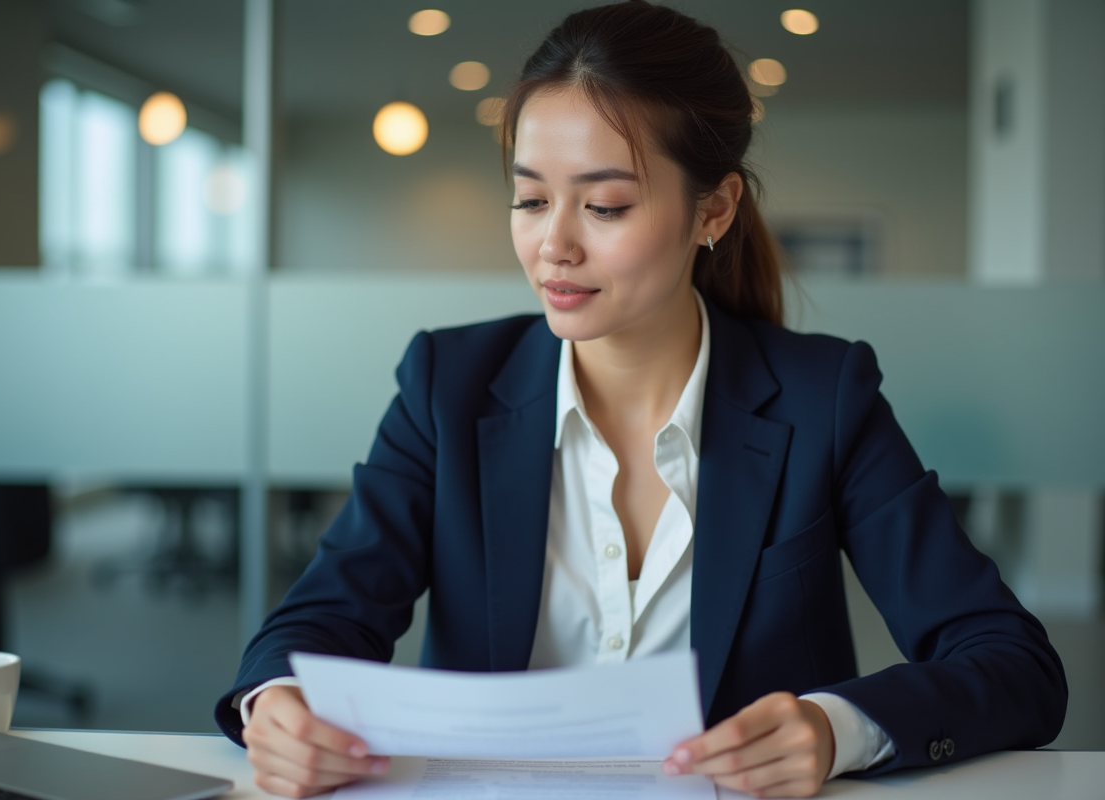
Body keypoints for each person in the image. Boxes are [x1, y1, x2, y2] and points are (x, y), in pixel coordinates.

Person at [215, 2, 1067, 797]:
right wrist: (279, 703)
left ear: (716, 209)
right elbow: (320, 619)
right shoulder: (448, 385)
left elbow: (1012, 662)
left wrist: (834, 727)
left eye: (606, 204)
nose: (554, 244)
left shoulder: (823, 399)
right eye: (530, 199)